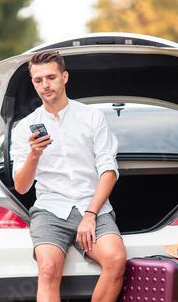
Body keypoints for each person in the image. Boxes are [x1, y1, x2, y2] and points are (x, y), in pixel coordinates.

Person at [11, 50, 126, 302]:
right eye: (38, 80)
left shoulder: (92, 118)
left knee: (116, 259)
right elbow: (21, 187)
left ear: (64, 77)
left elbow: (109, 171)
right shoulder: (23, 129)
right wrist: (34, 154)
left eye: (51, 77)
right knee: (48, 269)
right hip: (50, 210)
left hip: (93, 207)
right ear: (33, 83)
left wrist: (90, 214)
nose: (45, 85)